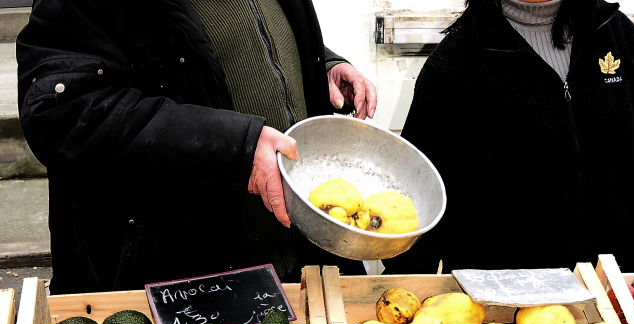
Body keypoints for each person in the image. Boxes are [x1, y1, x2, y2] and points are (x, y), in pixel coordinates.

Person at [17, 0, 376, 294]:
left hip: (297, 268)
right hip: (180, 286)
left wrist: (321, 64)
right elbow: (66, 113)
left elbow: (251, 33)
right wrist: (236, 148)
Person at [387, 0, 634, 275]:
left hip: (616, 286)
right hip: (506, 307)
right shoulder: (456, 61)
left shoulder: (620, 37)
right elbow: (423, 188)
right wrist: (401, 283)